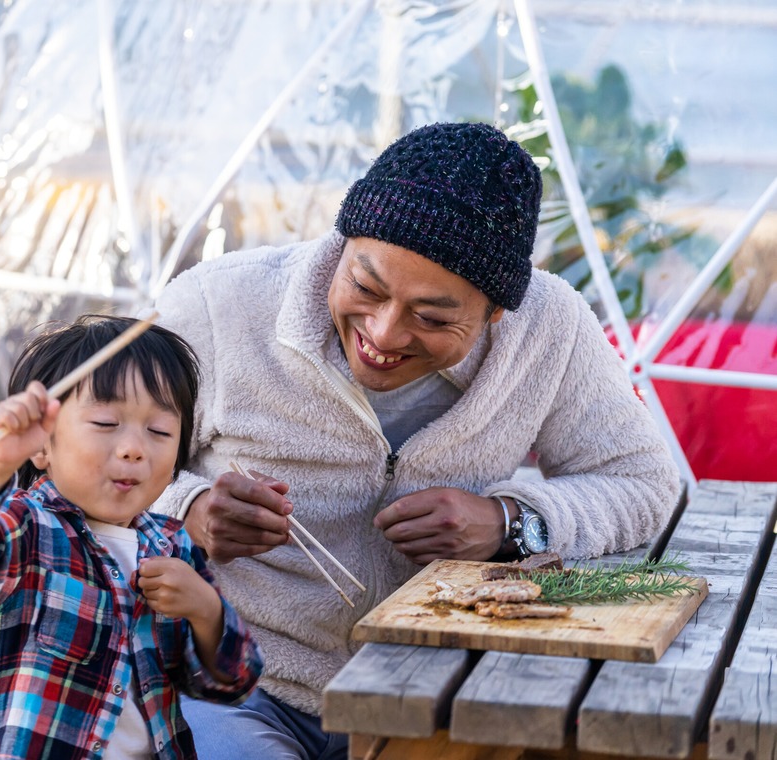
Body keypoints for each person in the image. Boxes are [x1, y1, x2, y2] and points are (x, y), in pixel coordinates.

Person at [150, 121, 681, 758]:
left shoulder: (551, 328)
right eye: (365, 288)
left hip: (434, 691)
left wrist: (511, 522)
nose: (383, 332)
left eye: (431, 318)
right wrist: (190, 512)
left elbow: (642, 481)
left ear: (496, 313)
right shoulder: (218, 304)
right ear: (343, 245)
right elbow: (68, 471)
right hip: (229, 683)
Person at [0, 315, 263, 760]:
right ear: (42, 447)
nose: (134, 447)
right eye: (105, 422)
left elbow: (233, 683)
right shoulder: (29, 529)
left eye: (159, 431)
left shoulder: (174, 548)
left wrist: (206, 610)